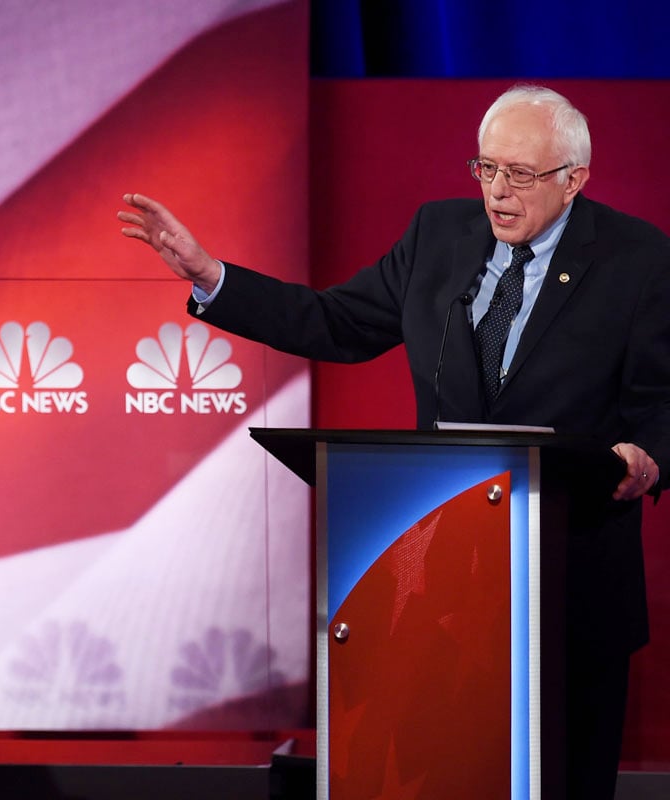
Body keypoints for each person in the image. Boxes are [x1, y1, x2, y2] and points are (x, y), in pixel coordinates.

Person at [119, 84, 670, 798]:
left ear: (575, 179)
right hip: (435, 580)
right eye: (486, 169)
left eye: (521, 176)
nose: (498, 192)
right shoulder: (438, 236)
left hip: (569, 582)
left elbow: (663, 400)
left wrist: (648, 456)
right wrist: (211, 278)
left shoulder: (638, 258)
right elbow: (334, 323)